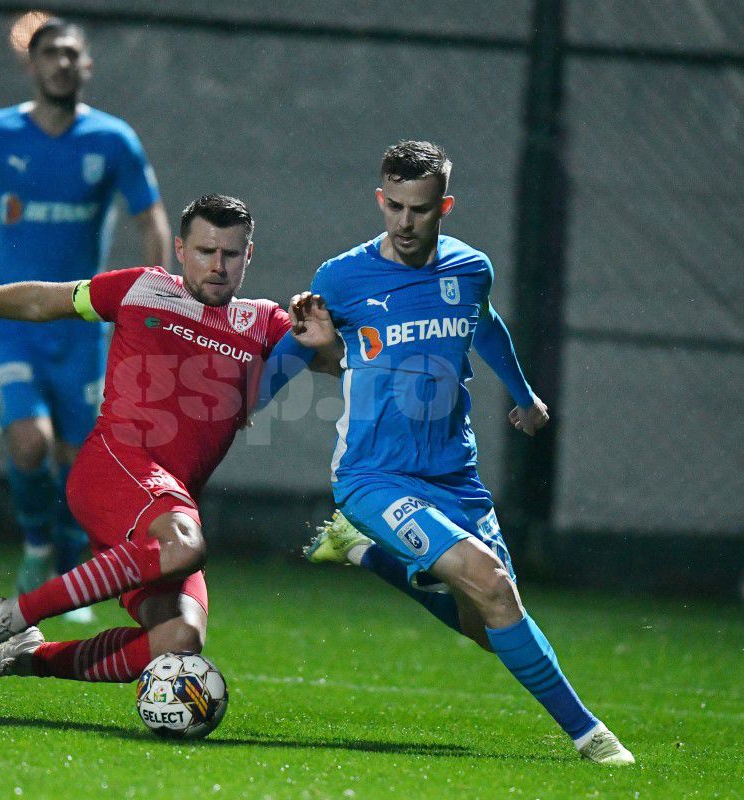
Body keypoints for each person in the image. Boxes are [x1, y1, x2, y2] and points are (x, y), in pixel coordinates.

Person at [268, 141, 635, 765]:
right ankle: (591, 736)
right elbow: (299, 362)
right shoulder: (340, 278)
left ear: (445, 204)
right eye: (395, 208)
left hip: (455, 478)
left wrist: (524, 396)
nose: (406, 224)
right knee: (494, 587)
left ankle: (364, 554)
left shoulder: (470, 270)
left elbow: (485, 325)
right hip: (373, 476)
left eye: (421, 209)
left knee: (492, 626)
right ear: (380, 201)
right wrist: (232, 404)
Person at [0, 195, 336, 687]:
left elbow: (334, 362)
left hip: (160, 506)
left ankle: (23, 656)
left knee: (180, 637)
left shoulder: (262, 322)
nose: (217, 266)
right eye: (204, 251)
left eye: (230, 255)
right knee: (184, 546)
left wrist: (326, 341)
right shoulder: (143, 288)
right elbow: (43, 299)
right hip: (114, 468)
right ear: (179, 248)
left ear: (249, 256)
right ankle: (9, 617)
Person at [0, 17, 172, 601]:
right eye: (51, 55)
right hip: (11, 322)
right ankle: (36, 546)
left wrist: (158, 292)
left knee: (77, 458)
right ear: (33, 64)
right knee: (28, 443)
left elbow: (151, 218)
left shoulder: (113, 139)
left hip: (80, 326)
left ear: (86, 65)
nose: (62, 64)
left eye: (72, 55)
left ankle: (69, 568)